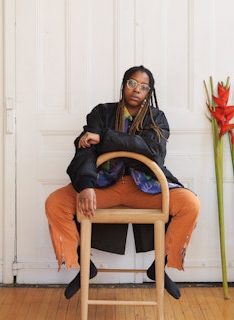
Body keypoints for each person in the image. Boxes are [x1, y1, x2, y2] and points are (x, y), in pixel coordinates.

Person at [45, 65, 200, 300]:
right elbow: (85, 151)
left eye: (144, 87)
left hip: (147, 187)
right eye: (132, 83)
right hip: (103, 185)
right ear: (124, 84)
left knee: (190, 204)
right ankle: (85, 266)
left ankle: (159, 267)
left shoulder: (156, 117)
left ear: (149, 92)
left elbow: (154, 153)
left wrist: (105, 138)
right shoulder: (101, 113)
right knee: (55, 203)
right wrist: (86, 185)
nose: (137, 90)